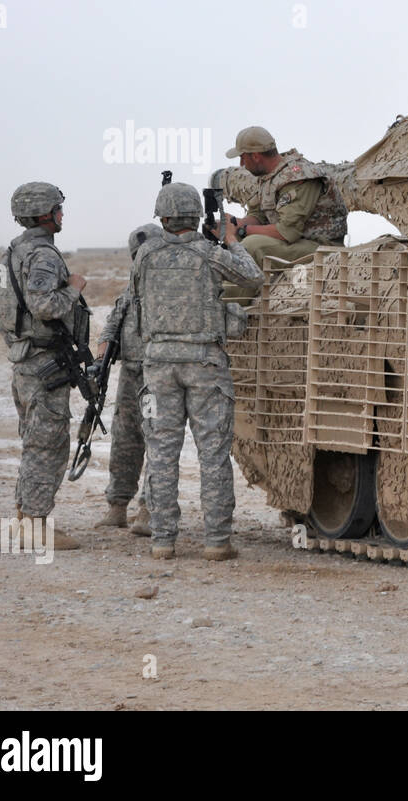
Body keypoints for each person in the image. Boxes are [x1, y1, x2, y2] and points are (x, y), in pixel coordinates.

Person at [134, 183, 263, 561]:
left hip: (158, 367)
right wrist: (230, 240)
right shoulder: (208, 253)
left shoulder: (144, 254)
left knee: (160, 454)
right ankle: (216, 541)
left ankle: (162, 541)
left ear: (163, 217)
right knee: (213, 454)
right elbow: (253, 278)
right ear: (194, 217)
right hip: (205, 364)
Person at [1, 182, 86, 551]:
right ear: (44, 214)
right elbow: (44, 306)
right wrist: (75, 289)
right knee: (47, 444)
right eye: (57, 209)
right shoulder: (43, 255)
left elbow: (3, 314)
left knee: (34, 440)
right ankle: (35, 526)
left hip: (24, 360)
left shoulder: (12, 254)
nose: (62, 214)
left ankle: (24, 519)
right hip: (42, 362)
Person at [218, 125, 348, 301]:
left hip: (321, 246)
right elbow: (259, 215)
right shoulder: (269, 177)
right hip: (296, 242)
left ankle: (229, 305)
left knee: (252, 247)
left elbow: (287, 232)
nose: (241, 164)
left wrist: (242, 231)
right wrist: (235, 224)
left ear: (255, 156)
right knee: (227, 245)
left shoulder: (298, 177)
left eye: (242, 158)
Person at [94, 224, 160, 535]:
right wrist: (101, 358)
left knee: (158, 442)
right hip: (131, 376)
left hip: (159, 377)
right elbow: (111, 328)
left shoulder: (172, 290)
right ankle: (117, 507)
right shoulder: (129, 292)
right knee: (125, 442)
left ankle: (148, 511)